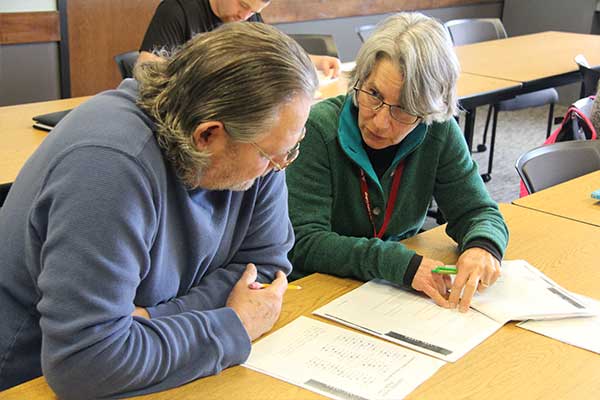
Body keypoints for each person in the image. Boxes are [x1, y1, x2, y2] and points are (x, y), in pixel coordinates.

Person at [0, 22, 317, 398]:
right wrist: (234, 325)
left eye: (289, 149)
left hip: (149, 359)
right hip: (28, 378)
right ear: (208, 135)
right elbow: (86, 362)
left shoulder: (261, 141)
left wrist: (152, 320)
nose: (280, 165)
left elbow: (264, 269)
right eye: (270, 155)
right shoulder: (110, 165)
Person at [285, 12, 509, 313]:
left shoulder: (438, 131)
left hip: (393, 298)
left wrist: (483, 246)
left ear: (430, 110)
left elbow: (478, 210)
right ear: (360, 77)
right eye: (373, 94)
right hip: (320, 291)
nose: (379, 121)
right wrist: (400, 264)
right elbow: (305, 243)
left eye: (404, 110)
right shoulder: (317, 131)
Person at [139, 0, 341, 77]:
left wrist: (316, 61)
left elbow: (273, 51)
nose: (245, 16)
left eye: (254, 10)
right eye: (243, 5)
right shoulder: (176, 10)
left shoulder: (249, 16)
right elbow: (147, 70)